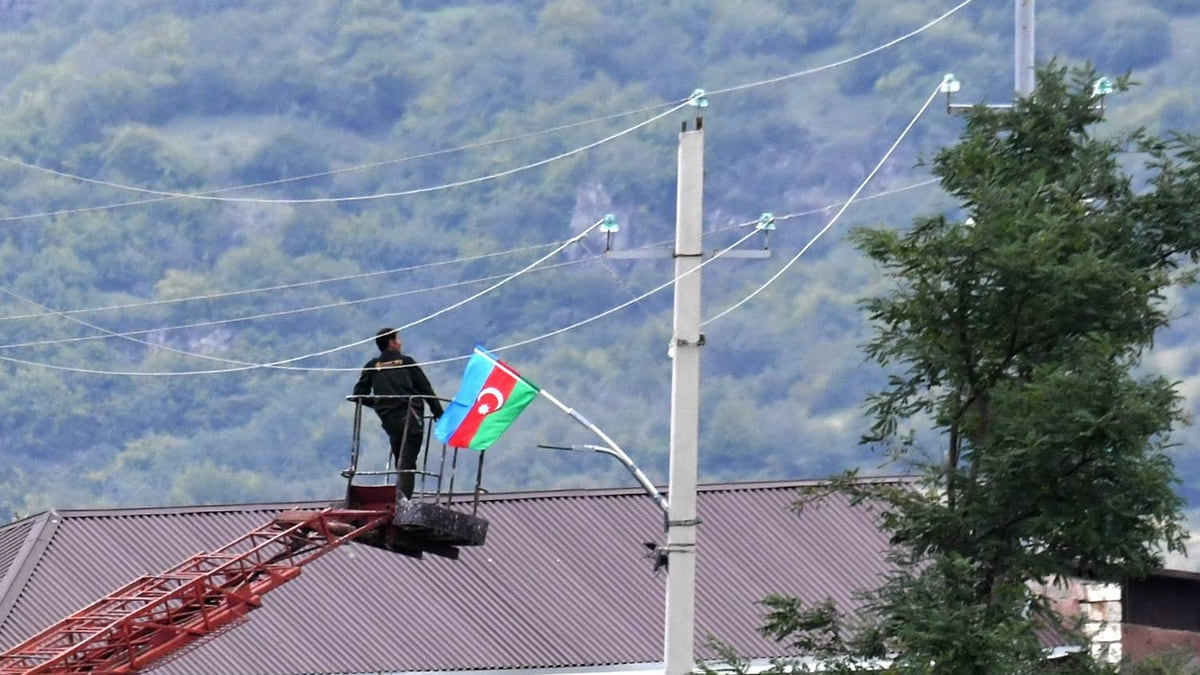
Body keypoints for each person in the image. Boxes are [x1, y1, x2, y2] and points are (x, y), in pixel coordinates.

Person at [353, 328, 444, 499]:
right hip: (411, 416)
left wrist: (379, 402)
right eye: (398, 339)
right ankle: (404, 502)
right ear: (392, 343)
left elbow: (358, 394)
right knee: (408, 461)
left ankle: (400, 497)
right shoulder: (407, 362)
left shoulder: (372, 367)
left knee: (400, 458)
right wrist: (440, 413)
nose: (400, 342)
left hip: (389, 420)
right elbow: (426, 389)